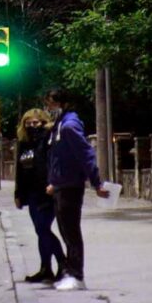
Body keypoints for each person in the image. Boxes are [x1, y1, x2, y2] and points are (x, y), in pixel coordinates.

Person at [44, 89, 108, 291]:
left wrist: (96, 182)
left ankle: (77, 275)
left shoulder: (69, 126)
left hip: (71, 186)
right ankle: (71, 272)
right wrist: (54, 181)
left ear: (62, 103)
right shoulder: (61, 125)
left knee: (71, 232)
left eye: (51, 103)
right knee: (65, 230)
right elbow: (58, 158)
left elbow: (85, 154)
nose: (49, 107)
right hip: (62, 184)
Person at [14, 108, 65, 283]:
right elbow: (19, 170)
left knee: (43, 228)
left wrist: (54, 183)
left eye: (35, 123)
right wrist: (18, 193)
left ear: (44, 122)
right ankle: (46, 268)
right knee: (39, 230)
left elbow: (55, 163)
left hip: (47, 191)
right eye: (28, 123)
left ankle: (63, 263)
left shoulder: (49, 140)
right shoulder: (23, 143)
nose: (31, 126)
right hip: (31, 193)